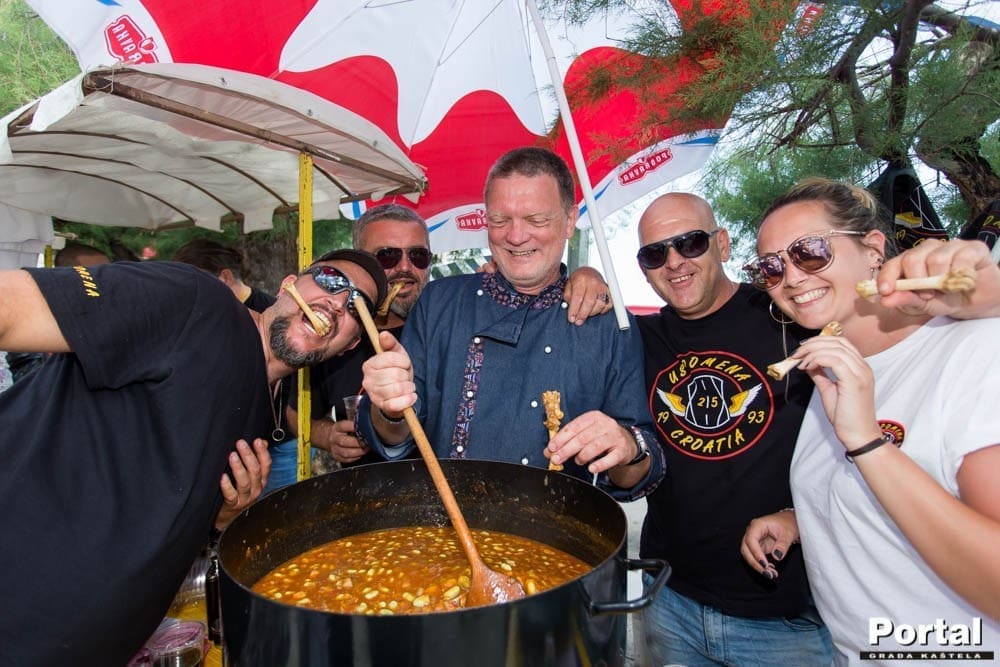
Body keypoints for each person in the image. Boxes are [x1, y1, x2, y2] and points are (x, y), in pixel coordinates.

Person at [0, 248, 387, 665]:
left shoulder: (265, 405)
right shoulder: (196, 301)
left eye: (358, 306)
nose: (338, 302)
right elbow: (9, 307)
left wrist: (220, 516)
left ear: (350, 345)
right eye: (330, 279)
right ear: (288, 285)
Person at [739, 178, 1000, 664]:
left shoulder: (976, 352)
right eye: (770, 267)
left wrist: (867, 443)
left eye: (810, 251)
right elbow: (888, 498)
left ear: (874, 249)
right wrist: (803, 518)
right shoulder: (832, 367)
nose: (790, 277)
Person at [357, 146, 663, 499]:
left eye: (536, 220)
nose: (516, 236)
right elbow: (395, 437)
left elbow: (640, 469)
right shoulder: (439, 302)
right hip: (443, 523)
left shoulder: (608, 324)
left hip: (557, 529)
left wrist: (628, 446)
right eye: (500, 220)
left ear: (569, 221)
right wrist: (390, 410)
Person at [633, 192, 834, 666]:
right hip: (668, 600)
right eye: (655, 253)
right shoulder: (639, 339)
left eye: (690, 242)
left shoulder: (789, 316)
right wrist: (584, 277)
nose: (674, 262)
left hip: (784, 617)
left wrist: (800, 518)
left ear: (721, 243)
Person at [173, 238, 298, 492]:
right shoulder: (201, 317)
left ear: (225, 276)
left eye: (197, 280)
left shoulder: (272, 313)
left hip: (279, 443)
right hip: (229, 446)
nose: (190, 290)